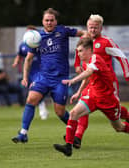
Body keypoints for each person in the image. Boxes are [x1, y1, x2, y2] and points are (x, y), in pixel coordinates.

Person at [11, 8, 88, 143]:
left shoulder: (63, 31)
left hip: (60, 79)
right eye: (47, 20)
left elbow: (83, 33)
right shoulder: (37, 38)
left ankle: (75, 132)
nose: (49, 22)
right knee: (31, 100)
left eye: (52, 20)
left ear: (55, 21)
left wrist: (89, 39)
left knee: (59, 112)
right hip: (43, 77)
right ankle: (23, 134)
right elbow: (28, 59)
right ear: (43, 21)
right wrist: (25, 77)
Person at [53, 37, 129, 157]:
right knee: (73, 113)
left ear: (89, 50)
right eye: (78, 51)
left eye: (80, 51)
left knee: (119, 128)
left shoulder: (96, 59)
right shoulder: (85, 62)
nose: (78, 54)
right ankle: (68, 146)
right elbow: (88, 77)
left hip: (107, 99)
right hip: (93, 96)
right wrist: (78, 92)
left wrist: (73, 80)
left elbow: (88, 72)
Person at [71, 14, 129, 149]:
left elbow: (121, 56)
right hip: (91, 82)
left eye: (95, 28)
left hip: (107, 84)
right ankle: (77, 137)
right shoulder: (83, 41)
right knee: (81, 106)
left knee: (114, 111)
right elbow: (77, 57)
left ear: (101, 28)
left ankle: (126, 115)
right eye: (90, 27)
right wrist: (77, 65)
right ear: (87, 27)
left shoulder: (106, 42)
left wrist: (127, 73)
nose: (92, 30)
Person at [12, 25, 49, 120]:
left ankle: (42, 109)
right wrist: (16, 61)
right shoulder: (23, 45)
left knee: (36, 90)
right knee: (32, 92)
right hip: (29, 72)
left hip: (40, 71)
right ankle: (39, 108)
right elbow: (20, 55)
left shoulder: (41, 44)